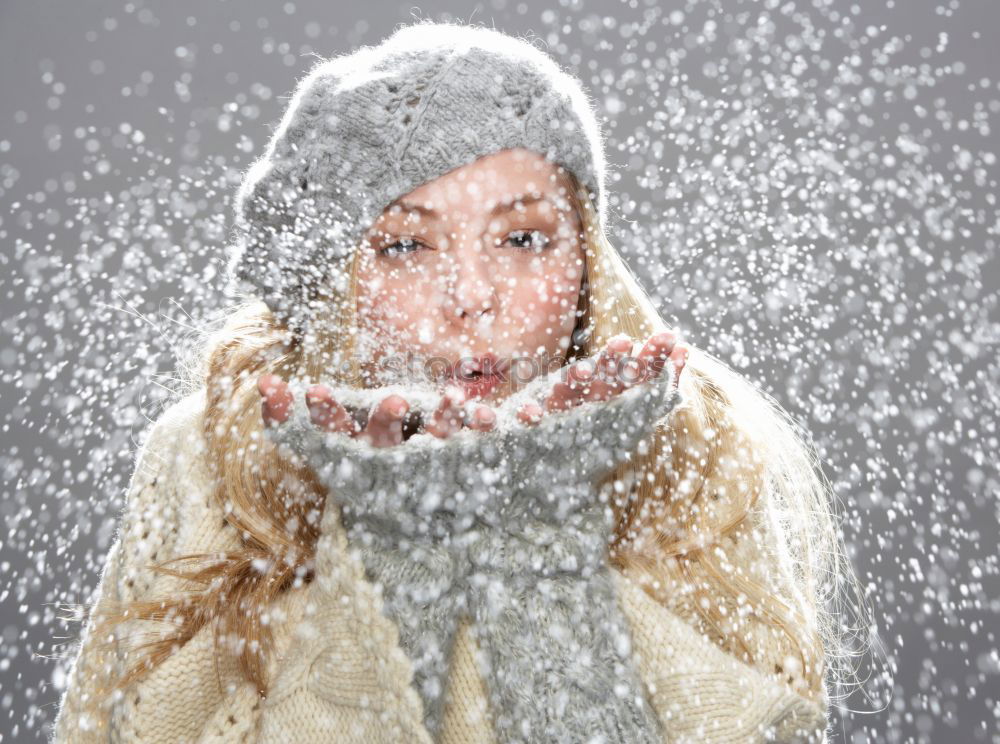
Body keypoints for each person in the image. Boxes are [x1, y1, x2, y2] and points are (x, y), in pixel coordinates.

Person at [51, 20, 855, 743]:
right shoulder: (211, 454)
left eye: (523, 238)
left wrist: (534, 518)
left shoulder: (693, 445)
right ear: (331, 283)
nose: (472, 296)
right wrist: (389, 535)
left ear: (588, 264)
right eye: (406, 247)